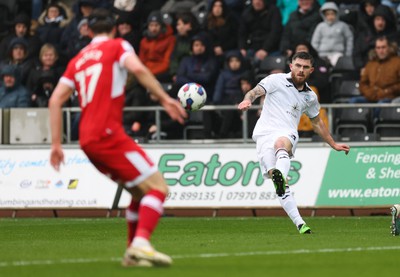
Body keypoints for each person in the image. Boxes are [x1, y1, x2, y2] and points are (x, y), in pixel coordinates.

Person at [48, 8, 187, 267]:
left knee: (138, 191)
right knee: (158, 188)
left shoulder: (77, 60)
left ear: (88, 31)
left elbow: (55, 99)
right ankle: (142, 243)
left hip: (86, 139)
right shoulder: (118, 46)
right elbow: (138, 68)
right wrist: (164, 98)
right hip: (108, 134)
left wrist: (56, 144)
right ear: (113, 29)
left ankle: (130, 255)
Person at [237, 51, 350, 234]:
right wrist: (246, 100)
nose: (301, 70)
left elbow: (317, 122)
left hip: (287, 132)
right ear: (291, 66)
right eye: (298, 65)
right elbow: (254, 91)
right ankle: (300, 223)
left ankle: (281, 174)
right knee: (278, 181)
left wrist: (333, 144)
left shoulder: (310, 96)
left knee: (281, 144)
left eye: (305, 67)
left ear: (311, 70)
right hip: (264, 133)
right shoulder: (275, 80)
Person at [349, 36, 400, 116]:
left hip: (389, 97)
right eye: (378, 48)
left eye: (383, 47)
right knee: (353, 101)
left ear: (389, 48)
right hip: (371, 96)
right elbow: (363, 83)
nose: (381, 50)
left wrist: (386, 92)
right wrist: (369, 93)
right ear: (375, 49)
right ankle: (351, 127)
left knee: (381, 104)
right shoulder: (371, 64)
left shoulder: (397, 62)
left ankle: (374, 126)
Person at [311, 2, 354, 67]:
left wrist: (347, 54)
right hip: (322, 55)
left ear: (336, 14)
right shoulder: (320, 26)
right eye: (327, 14)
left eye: (332, 14)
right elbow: (314, 41)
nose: (330, 16)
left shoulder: (343, 26)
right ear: (324, 15)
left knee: (341, 68)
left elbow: (349, 39)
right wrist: (320, 50)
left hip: (338, 54)